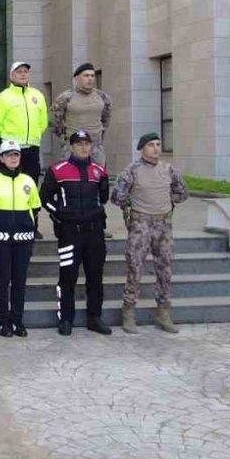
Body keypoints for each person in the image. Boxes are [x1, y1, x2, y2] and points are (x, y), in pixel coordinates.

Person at [110, 132, 189, 334]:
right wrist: (133, 205)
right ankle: (128, 311)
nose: (156, 148)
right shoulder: (132, 171)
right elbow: (117, 196)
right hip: (140, 224)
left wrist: (166, 201)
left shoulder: (169, 170)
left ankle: (163, 312)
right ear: (142, 148)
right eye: (151, 145)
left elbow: (182, 192)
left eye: (158, 144)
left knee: (165, 269)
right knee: (135, 268)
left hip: (163, 224)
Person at [39, 130, 112, 336]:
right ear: (71, 146)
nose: (83, 147)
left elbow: (103, 197)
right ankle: (66, 319)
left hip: (94, 234)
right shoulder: (57, 171)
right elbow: (44, 198)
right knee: (67, 278)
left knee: (95, 277)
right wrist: (60, 214)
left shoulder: (99, 171)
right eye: (79, 143)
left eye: (86, 143)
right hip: (69, 234)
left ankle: (94, 318)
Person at [0, 139, 42, 338]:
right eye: (9, 155)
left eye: (16, 155)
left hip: (23, 239)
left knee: (20, 280)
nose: (13, 158)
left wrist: (24, 224)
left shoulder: (28, 181)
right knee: (3, 280)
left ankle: (17, 320)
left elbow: (35, 207)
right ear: (2, 158)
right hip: (0, 239)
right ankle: (3, 320)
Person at [0, 61, 48, 184]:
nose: (23, 74)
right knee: (9, 183)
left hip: (32, 148)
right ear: (11, 76)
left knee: (30, 183)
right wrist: (3, 141)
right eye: (19, 71)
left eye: (25, 71)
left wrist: (34, 135)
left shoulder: (37, 95)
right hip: (11, 149)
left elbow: (43, 121)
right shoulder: (3, 97)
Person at [50, 63, 112, 164]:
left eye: (92, 76)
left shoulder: (102, 97)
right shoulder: (65, 97)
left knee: (97, 177)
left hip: (95, 146)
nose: (90, 79)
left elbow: (106, 119)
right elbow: (54, 121)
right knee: (71, 177)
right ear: (76, 78)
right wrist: (65, 137)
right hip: (73, 146)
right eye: (86, 75)